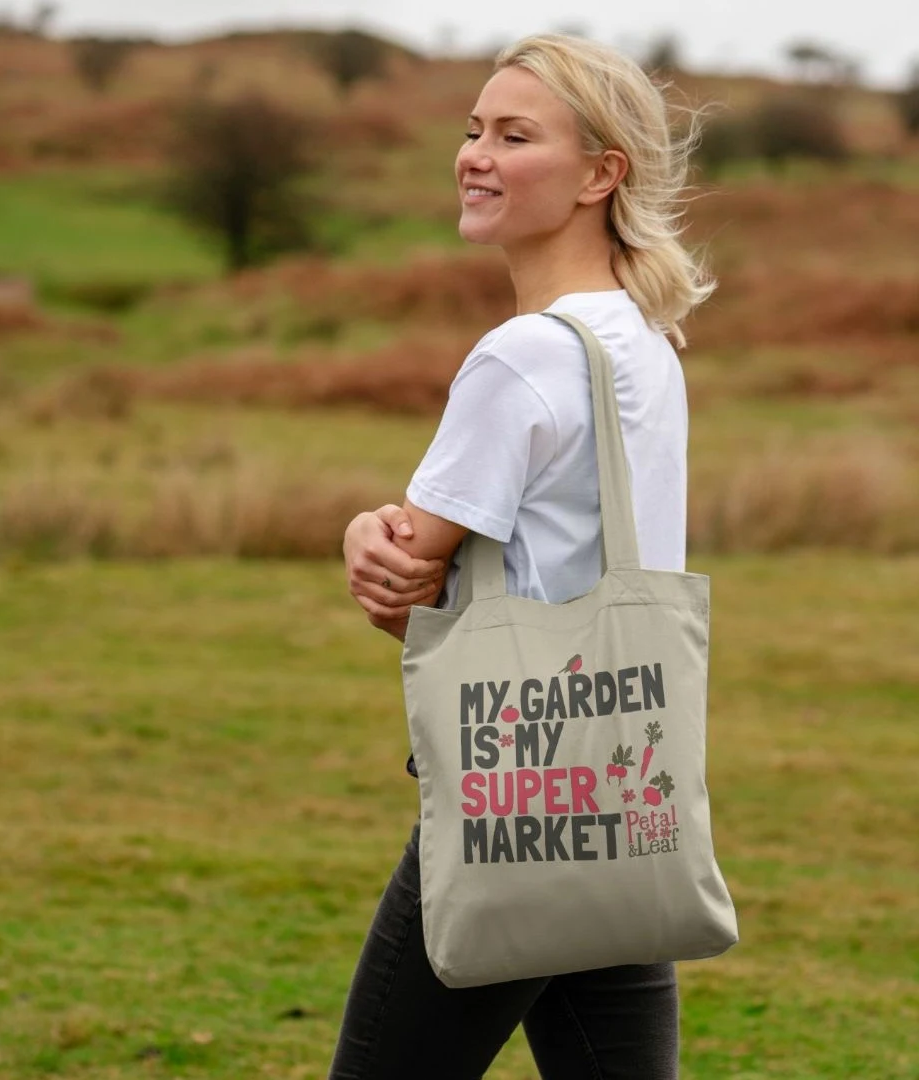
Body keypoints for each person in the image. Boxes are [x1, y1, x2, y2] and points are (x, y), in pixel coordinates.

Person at [331, 32, 713, 1080]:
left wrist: (364, 532)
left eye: (514, 136)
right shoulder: (643, 340)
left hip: (517, 796)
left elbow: (404, 585)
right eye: (473, 131)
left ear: (600, 174)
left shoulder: (525, 356)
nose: (475, 156)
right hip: (621, 785)